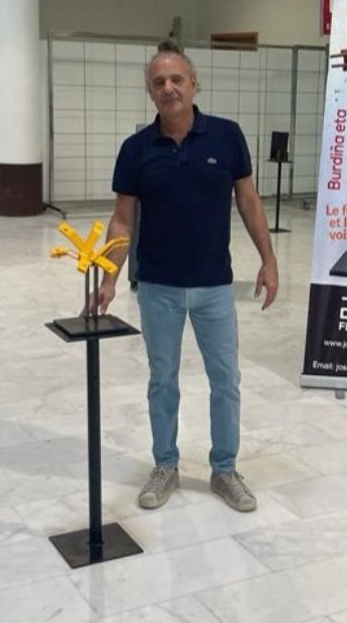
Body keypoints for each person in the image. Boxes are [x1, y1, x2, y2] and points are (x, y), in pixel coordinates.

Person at [92, 40, 279, 513]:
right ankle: (165, 465)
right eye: (159, 82)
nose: (169, 88)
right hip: (158, 287)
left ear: (194, 84)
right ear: (150, 92)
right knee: (163, 381)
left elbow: (248, 201)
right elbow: (122, 221)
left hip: (215, 285)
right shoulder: (136, 150)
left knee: (226, 380)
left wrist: (269, 259)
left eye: (177, 79)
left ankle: (225, 469)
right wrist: (109, 277)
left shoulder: (227, 136)